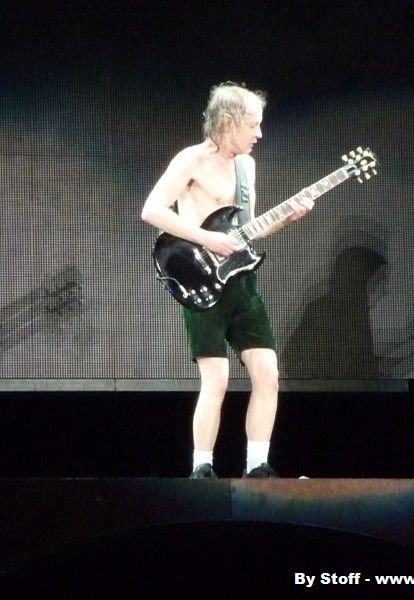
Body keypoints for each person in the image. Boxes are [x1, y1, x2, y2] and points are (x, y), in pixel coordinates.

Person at [141, 82, 313, 478]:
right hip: (200, 280)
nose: (259, 134)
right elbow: (152, 210)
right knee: (216, 379)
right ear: (230, 122)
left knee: (267, 374)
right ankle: (202, 468)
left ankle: (258, 468)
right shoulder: (191, 160)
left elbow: (247, 232)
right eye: (253, 125)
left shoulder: (245, 167)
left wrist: (286, 219)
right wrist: (206, 239)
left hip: (242, 282)